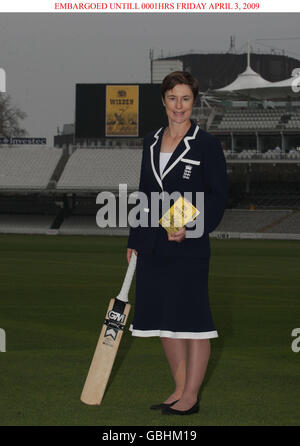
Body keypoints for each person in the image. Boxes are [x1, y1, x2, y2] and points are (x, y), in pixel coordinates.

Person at [127, 71, 227, 415]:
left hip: (189, 247)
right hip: (154, 243)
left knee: (192, 323)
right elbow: (145, 192)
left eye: (185, 99)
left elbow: (216, 196)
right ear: (164, 101)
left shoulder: (206, 144)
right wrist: (135, 237)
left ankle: (191, 396)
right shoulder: (151, 140)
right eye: (173, 98)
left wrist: (189, 225)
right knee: (162, 321)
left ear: (193, 102)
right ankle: (179, 389)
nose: (179, 106)